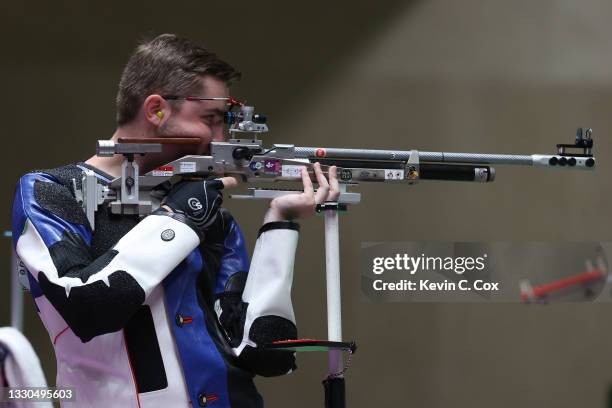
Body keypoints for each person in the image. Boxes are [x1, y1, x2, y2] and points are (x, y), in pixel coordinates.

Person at [11, 33, 339, 407]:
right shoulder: (52, 191)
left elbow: (262, 354)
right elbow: (87, 306)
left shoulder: (204, 212)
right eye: (211, 120)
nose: (222, 139)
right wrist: (181, 217)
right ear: (155, 111)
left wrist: (280, 223)